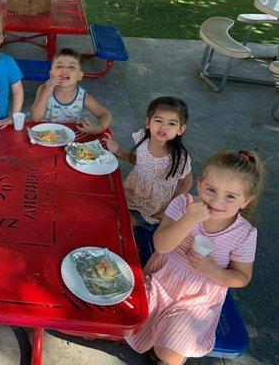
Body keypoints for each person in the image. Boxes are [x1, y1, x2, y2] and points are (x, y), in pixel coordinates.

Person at [125, 150, 264, 365]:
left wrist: (212, 270)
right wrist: (189, 219)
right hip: (161, 278)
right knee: (120, 311)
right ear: (200, 184)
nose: (217, 201)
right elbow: (161, 245)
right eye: (211, 190)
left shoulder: (245, 233)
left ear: (246, 201)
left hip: (197, 298)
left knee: (169, 353)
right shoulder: (183, 205)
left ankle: (163, 350)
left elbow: (242, 277)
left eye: (230, 196)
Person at [104, 96, 192, 232]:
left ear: (181, 129)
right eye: (158, 120)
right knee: (104, 210)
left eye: (172, 123)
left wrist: (169, 208)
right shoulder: (143, 139)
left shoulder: (179, 157)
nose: (163, 127)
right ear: (148, 123)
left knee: (119, 224)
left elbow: (187, 182)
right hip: (131, 191)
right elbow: (139, 160)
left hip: (153, 206)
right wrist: (118, 152)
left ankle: (146, 226)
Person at [30, 48, 112, 134]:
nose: (65, 70)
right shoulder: (43, 89)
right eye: (59, 66)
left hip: (70, 138)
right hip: (45, 135)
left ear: (79, 76)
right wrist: (45, 95)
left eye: (71, 67)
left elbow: (105, 115)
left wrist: (99, 128)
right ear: (51, 74)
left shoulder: (82, 96)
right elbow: (35, 118)